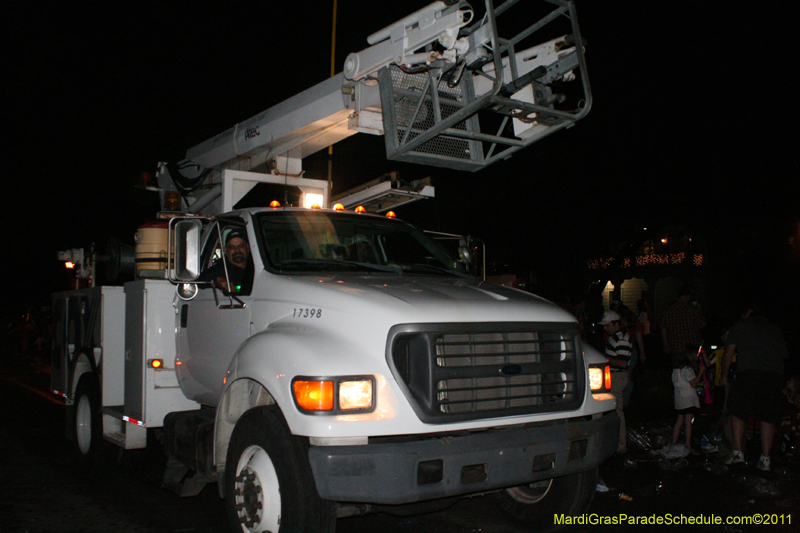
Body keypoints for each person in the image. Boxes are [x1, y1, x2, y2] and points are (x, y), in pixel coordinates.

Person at [720, 304, 789, 471]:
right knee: (768, 417)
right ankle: (765, 458)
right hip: (773, 376)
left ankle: (737, 453)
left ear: (748, 315)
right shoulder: (774, 328)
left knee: (738, 412)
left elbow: (728, 353)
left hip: (748, 374)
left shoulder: (741, 326)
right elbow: (785, 355)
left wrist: (723, 376)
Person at [600, 309, 632, 454]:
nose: (606, 328)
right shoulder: (616, 337)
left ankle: (620, 445)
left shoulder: (622, 338)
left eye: (608, 325)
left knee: (618, 411)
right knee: (613, 410)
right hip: (614, 376)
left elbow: (623, 363)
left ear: (615, 323)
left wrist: (604, 359)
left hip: (617, 377)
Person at [660, 285, 706, 366]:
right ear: (687, 297)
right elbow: (703, 324)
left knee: (679, 371)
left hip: (676, 347)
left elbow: (663, 328)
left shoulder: (669, 310)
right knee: (693, 370)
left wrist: (666, 345)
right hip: (692, 347)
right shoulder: (692, 310)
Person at [199, 229, 252, 294]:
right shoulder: (220, 269)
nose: (237, 250)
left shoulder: (257, 267)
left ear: (248, 247)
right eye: (232, 247)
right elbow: (199, 281)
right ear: (226, 250)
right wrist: (217, 280)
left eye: (241, 246)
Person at [672, 345, 702, 450]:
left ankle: (673, 443)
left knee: (679, 421)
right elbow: (693, 384)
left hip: (679, 399)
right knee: (688, 422)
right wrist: (701, 373)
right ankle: (688, 445)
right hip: (688, 399)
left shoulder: (676, 370)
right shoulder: (687, 369)